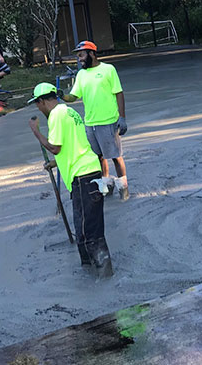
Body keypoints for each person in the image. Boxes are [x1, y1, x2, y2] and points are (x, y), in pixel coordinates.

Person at [28, 82, 114, 277]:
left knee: (89, 230)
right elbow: (74, 146)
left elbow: (55, 147)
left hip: (84, 177)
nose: (38, 109)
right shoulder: (69, 112)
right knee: (82, 228)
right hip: (85, 174)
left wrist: (36, 131)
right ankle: (89, 269)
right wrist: (56, 163)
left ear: (42, 101)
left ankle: (105, 274)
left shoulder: (57, 115)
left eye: (37, 104)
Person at [62, 40, 130, 201]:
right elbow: (74, 96)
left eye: (81, 55)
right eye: (78, 56)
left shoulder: (108, 70)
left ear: (92, 53)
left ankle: (124, 188)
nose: (79, 59)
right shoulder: (81, 74)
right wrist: (62, 96)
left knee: (115, 156)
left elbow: (119, 93)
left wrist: (122, 117)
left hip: (108, 121)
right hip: (90, 123)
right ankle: (105, 185)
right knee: (98, 157)